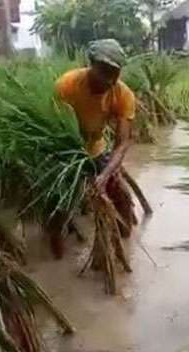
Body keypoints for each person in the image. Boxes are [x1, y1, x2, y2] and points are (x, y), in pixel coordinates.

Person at [49, 38, 137, 259]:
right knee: (58, 204)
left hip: (96, 147)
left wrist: (106, 174)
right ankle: (56, 253)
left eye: (115, 73)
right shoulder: (67, 85)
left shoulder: (123, 94)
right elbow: (54, 128)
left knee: (122, 196)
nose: (109, 80)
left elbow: (123, 141)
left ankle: (125, 241)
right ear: (91, 65)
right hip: (66, 151)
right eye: (104, 71)